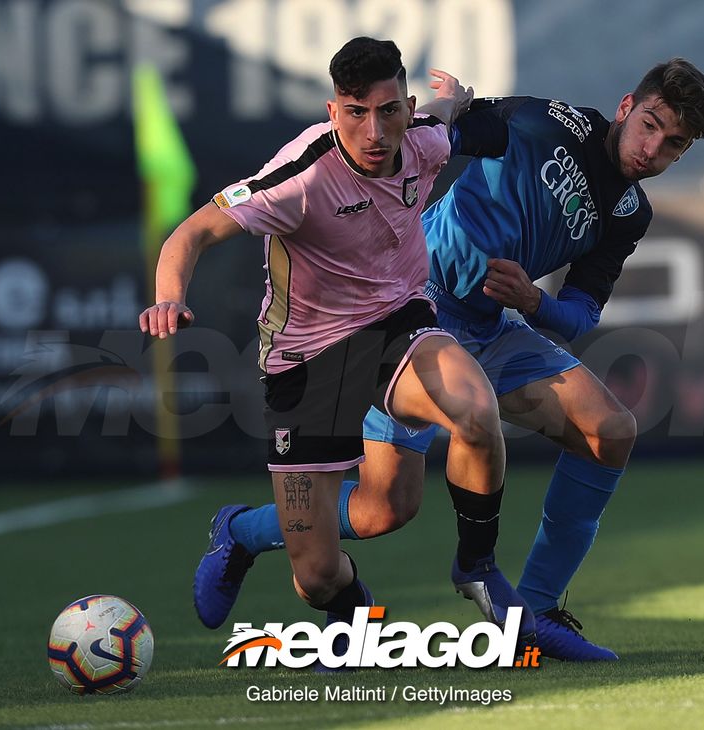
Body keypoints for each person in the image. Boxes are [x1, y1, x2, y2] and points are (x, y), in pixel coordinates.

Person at [197, 58, 704, 660]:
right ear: (627, 106)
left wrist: (534, 303)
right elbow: (430, 140)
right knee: (381, 510)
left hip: (495, 328)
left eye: (673, 144)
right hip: (415, 316)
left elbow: (580, 312)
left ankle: (537, 610)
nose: (651, 149)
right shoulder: (543, 122)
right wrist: (451, 110)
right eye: (649, 125)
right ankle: (239, 530)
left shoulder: (630, 213)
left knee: (610, 431)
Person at [141, 37, 536, 647]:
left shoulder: (423, 141)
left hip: (397, 324)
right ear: (333, 112)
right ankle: (248, 535)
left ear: (407, 107)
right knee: (319, 575)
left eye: (387, 111)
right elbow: (189, 234)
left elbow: (449, 118)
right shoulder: (297, 178)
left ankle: (476, 568)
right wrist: (169, 296)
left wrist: (456, 100)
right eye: (356, 112)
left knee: (475, 411)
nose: (373, 131)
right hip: (306, 357)